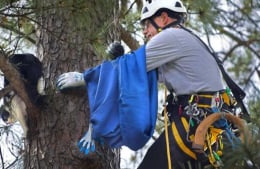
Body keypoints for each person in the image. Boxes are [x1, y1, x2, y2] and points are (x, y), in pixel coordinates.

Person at [56, 0, 241, 168]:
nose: (145, 31)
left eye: (147, 23)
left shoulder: (171, 36)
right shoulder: (186, 39)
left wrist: (84, 77)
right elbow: (145, 75)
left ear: (163, 17)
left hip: (193, 127)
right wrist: (120, 60)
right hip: (210, 131)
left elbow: (134, 66)